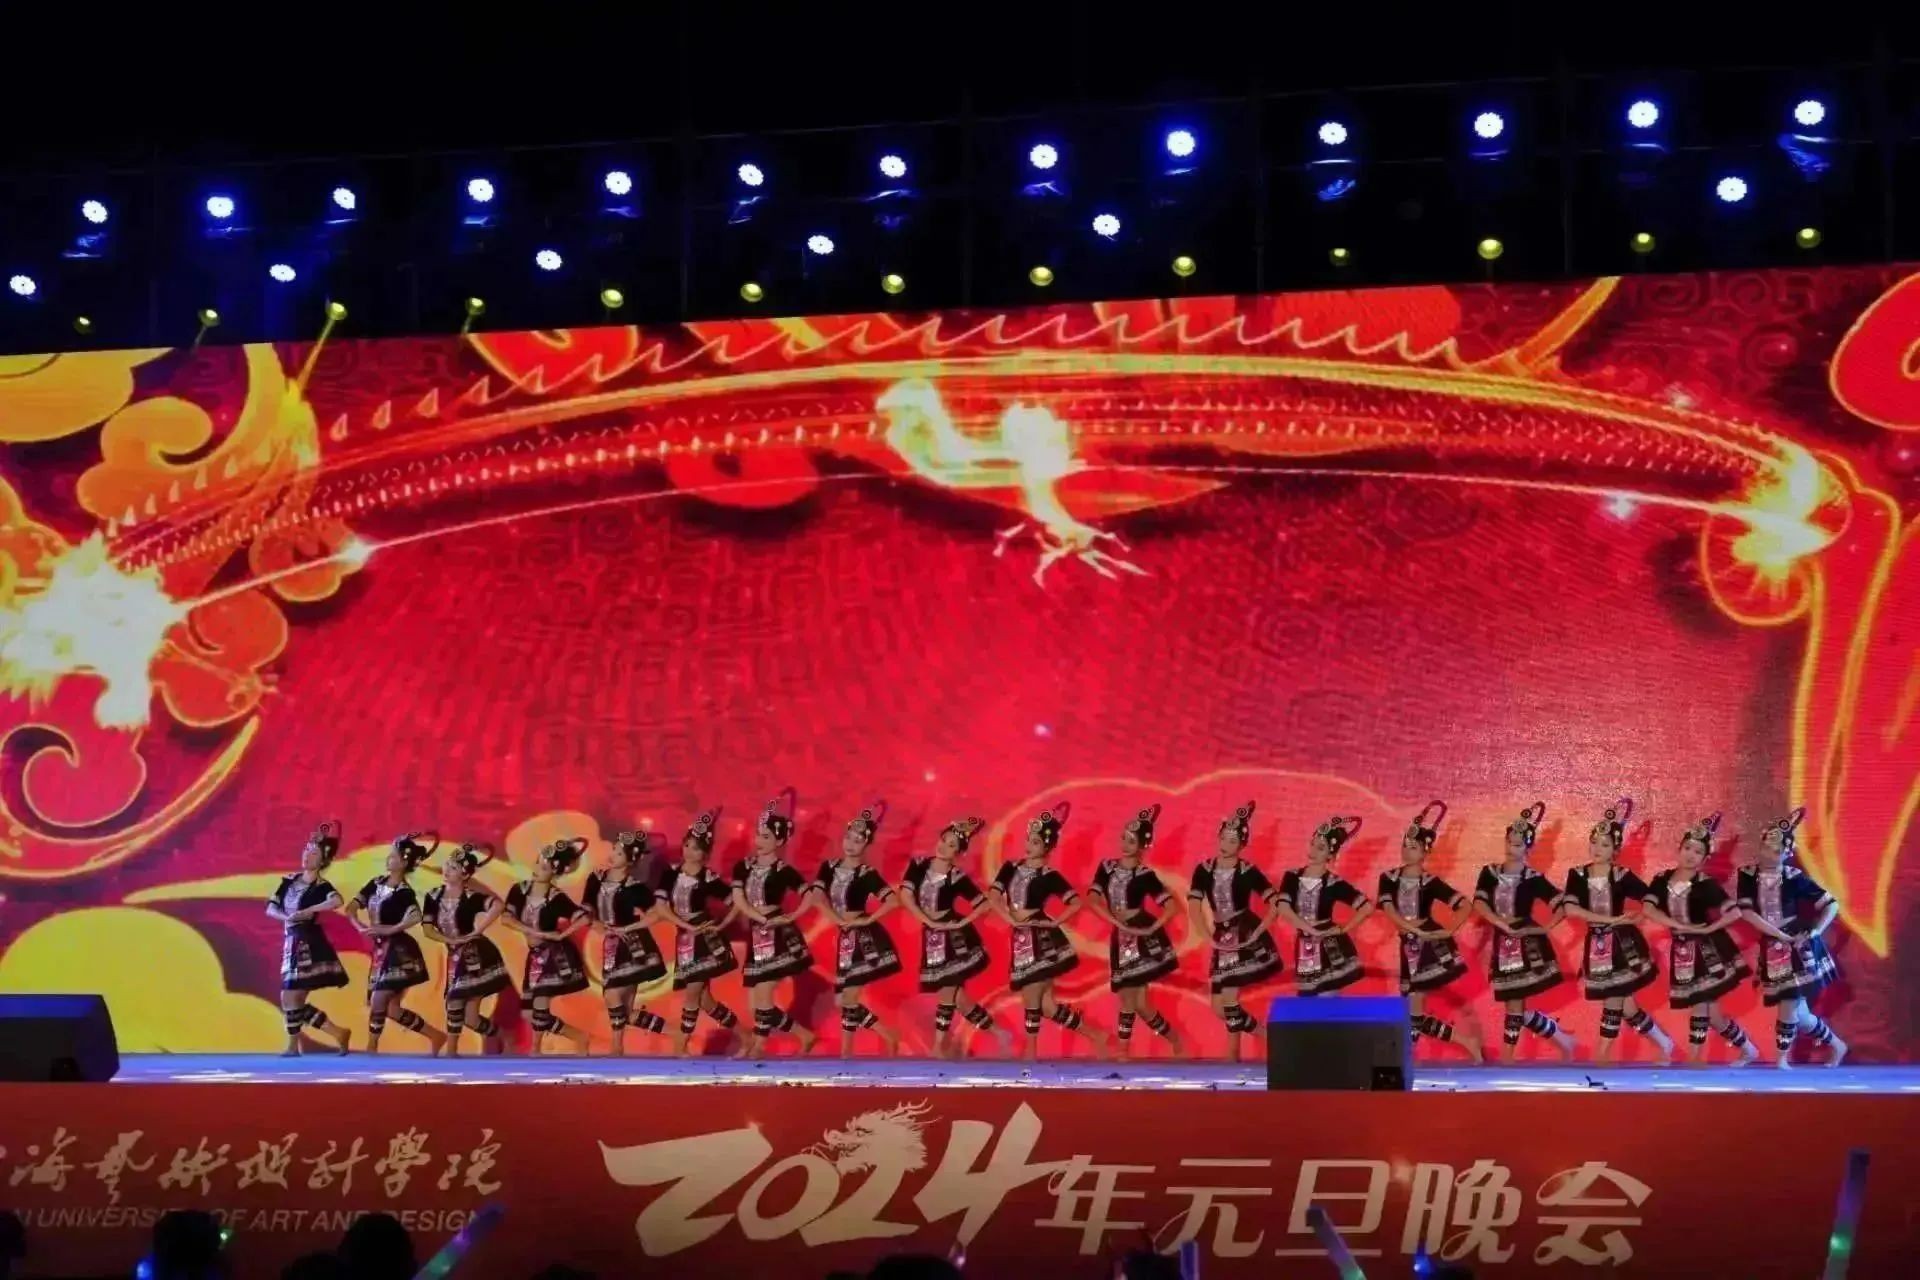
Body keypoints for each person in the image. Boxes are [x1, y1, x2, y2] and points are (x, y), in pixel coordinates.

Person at [1555, 798, 1674, 1061]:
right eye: (1594, 842)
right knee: (1628, 1007)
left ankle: (1602, 1055)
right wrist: (1608, 919)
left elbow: (1651, 897)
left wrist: (1638, 916)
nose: (1597, 848)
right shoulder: (1577, 874)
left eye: (1605, 844)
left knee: (1613, 998)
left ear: (1615, 849)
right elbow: (1571, 909)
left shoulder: (1621, 875)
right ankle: (1664, 1043)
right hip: (1598, 945)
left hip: (1623, 945)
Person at [992, 802, 1111, 1060]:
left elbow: (1075, 902)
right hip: (1021, 938)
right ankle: (1096, 1036)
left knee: (1032, 994)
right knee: (1047, 1007)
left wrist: (1053, 923)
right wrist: (1008, 918)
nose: (1029, 845)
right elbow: (993, 895)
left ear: (1047, 847)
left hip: (1041, 939)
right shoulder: (1010, 867)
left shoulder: (1049, 875)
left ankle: (1031, 1052)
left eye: (1036, 842)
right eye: (1029, 840)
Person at [1640, 813, 1758, 1065]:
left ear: (1704, 859)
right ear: (1679, 849)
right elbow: (1648, 908)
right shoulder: (1661, 880)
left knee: (1700, 1003)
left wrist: (1708, 929)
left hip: (1708, 950)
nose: (1691, 855)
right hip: (1682, 950)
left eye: (1698, 852)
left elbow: (1735, 912)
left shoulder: (1705, 883)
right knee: (1713, 1015)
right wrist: (1676, 925)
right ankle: (1748, 1049)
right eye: (1688, 848)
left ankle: (1695, 1057)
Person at [1734, 807, 1846, 1067]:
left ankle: (1781, 1059)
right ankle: (1838, 1045)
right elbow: (1747, 912)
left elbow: (1831, 904)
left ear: (1787, 853)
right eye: (1766, 847)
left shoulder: (1793, 877)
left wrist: (1816, 931)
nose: (1770, 853)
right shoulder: (1747, 875)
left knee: (1787, 1003)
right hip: (1774, 944)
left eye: (1777, 850)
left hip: (1798, 946)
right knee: (1802, 1016)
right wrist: (1776, 934)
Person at [1377, 801, 1483, 1060]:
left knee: (1412, 1009)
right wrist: (1409, 928)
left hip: (1427, 948)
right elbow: (1389, 909)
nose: (1407, 850)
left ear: (1425, 851)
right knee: (1412, 1012)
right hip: (1409, 944)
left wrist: (1447, 931)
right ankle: (1467, 1042)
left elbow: (1464, 904)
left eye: (1413, 847)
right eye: (1405, 845)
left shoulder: (1430, 882)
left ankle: (1405, 1059)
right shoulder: (1388, 878)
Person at [898, 813, 1011, 1058]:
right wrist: (926, 919)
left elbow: (983, 903)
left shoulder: (957, 877)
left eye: (951, 845)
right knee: (959, 999)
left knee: (947, 992)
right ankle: (1000, 1034)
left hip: (954, 938)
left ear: (958, 853)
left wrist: (963, 921)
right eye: (944, 840)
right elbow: (905, 895)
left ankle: (939, 1047)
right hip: (933, 935)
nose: (944, 846)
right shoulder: (919, 865)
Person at [1472, 802, 1576, 1061]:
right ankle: (1561, 1038)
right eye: (1509, 842)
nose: (1511, 848)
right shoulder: (1490, 873)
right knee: (1514, 1004)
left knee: (1515, 1002)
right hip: (1503, 939)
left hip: (1526, 944)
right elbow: (1479, 903)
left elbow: (1563, 904)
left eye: (1518, 844)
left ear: (1528, 847)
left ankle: (1508, 1056)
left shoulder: (1533, 878)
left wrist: (1544, 929)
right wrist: (1500, 923)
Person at [1085, 804, 1184, 1054]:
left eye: (1132, 841)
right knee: (1141, 1004)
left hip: (1139, 936)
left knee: (1128, 997)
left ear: (1142, 845)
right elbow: (1093, 898)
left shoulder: (1145, 874)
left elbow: (1171, 906)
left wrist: (1152, 928)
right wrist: (1114, 921)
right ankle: (1175, 1039)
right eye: (1124, 838)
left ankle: (1123, 1051)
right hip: (1120, 936)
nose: (1125, 844)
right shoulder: (1106, 868)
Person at [1188, 801, 1282, 1060]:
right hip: (1221, 935)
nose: (1226, 844)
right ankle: (1267, 1035)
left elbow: (1276, 901)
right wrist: (1207, 937)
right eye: (1224, 838)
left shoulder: (1247, 871)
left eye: (1233, 841)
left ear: (1242, 845)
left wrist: (1260, 930)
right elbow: (1194, 906)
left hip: (1243, 933)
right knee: (1218, 1007)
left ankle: (1232, 1055)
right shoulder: (1204, 870)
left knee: (1229, 997)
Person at [732, 788, 819, 1057]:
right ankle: (803, 1035)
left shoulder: (784, 870)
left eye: (766, 836)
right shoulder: (743, 867)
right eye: (758, 834)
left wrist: (791, 916)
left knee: (764, 994)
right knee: (755, 1004)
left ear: (779, 840)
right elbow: (738, 898)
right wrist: (759, 917)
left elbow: (810, 893)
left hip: (778, 935)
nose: (759, 840)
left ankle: (759, 1046)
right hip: (757, 933)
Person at [814, 799, 904, 1054]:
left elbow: (893, 900)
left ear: (866, 844)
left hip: (865, 940)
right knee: (842, 999)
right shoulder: (829, 868)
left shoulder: (867, 873)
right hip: (845, 937)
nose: (851, 844)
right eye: (849, 838)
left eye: (857, 840)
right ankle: (879, 1037)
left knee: (848, 997)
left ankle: (849, 1051)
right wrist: (835, 919)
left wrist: (867, 919)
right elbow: (816, 897)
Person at [344, 831, 447, 1055]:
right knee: (391, 1009)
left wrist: (390, 929)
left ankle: (372, 1047)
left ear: (403, 863)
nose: (389, 859)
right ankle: (435, 1035)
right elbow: (351, 908)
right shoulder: (375, 883)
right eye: (390, 856)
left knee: (379, 998)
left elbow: (415, 915)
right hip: (381, 950)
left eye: (394, 856)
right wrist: (359, 926)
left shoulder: (404, 892)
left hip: (400, 951)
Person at [660, 806, 743, 1054]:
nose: (688, 851)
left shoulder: (708, 877)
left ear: (705, 853)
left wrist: (721, 925)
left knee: (692, 993)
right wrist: (686, 926)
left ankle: (681, 1045)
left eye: (695, 848)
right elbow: (661, 907)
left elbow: (736, 902)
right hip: (685, 937)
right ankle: (746, 1036)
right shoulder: (670, 874)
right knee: (705, 1000)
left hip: (704, 940)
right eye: (687, 845)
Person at [267, 820, 352, 1056]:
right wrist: (285, 916)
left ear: (322, 860)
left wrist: (310, 910)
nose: (307, 856)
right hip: (291, 940)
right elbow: (271, 907)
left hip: (308, 942)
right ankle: (337, 1033)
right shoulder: (289, 881)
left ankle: (293, 1046)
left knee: (290, 995)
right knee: (293, 998)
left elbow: (336, 900)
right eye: (306, 850)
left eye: (313, 853)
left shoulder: (321, 885)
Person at [583, 830, 671, 1054]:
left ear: (631, 860)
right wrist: (595, 923)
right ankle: (677, 1033)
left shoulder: (635, 887)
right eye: (614, 849)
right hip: (611, 945)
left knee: (612, 994)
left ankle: (616, 1046)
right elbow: (586, 909)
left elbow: (658, 913)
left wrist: (629, 928)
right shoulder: (596, 879)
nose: (613, 855)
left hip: (634, 946)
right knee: (627, 1013)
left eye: (619, 853)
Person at [503, 837, 593, 1054]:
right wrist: (538, 933)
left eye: (544, 868)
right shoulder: (519, 890)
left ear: (554, 872)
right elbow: (506, 919)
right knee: (529, 1013)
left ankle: (536, 1049)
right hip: (535, 955)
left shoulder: (556, 897)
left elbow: (584, 917)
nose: (537, 870)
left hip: (553, 955)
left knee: (540, 1003)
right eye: (537, 864)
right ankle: (578, 1036)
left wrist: (562, 935)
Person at [420, 843, 510, 1056]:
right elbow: (427, 929)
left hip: (476, 955)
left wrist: (478, 930)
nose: (447, 870)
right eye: (447, 865)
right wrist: (450, 940)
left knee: (456, 1000)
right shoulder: (433, 896)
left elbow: (498, 905)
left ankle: (452, 1051)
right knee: (470, 1018)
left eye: (453, 867)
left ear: (465, 874)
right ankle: (503, 1036)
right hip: (454, 954)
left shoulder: (471, 897)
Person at [1272, 815, 1374, 996]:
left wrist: (1342, 929)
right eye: (1313, 844)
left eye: (1321, 848)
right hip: (1305, 944)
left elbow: (1367, 907)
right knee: (1308, 1002)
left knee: (1328, 1000)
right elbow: (1283, 908)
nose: (1313, 851)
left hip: (1330, 947)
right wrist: (1310, 930)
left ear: (1331, 855)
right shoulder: (1292, 877)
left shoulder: (1334, 882)